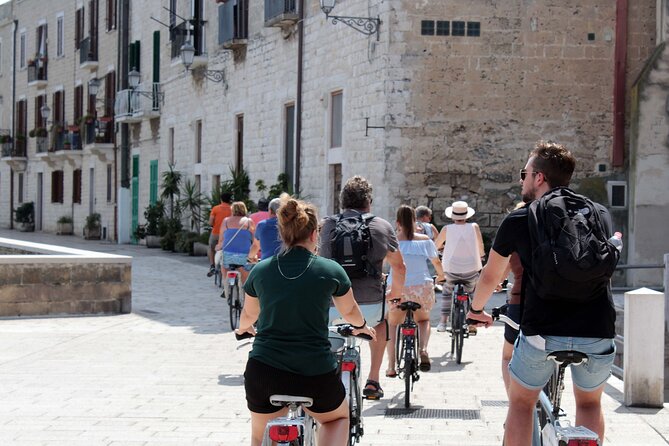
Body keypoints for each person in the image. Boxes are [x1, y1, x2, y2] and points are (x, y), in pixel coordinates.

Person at [467, 141, 617, 445]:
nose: (521, 180)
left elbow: (490, 276)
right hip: (598, 329)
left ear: (539, 178)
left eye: (525, 173)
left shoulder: (521, 218)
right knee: (589, 403)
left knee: (522, 403)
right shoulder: (598, 212)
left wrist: (475, 310)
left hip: (543, 331)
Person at [236, 196, 376, 446]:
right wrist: (361, 327)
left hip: (265, 372)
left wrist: (244, 328)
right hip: (315, 373)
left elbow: (248, 316)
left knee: (259, 435)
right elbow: (351, 311)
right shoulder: (330, 270)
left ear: (282, 232)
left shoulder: (260, 270)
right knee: (337, 419)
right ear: (314, 234)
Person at [319, 175, 406, 400]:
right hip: (370, 306)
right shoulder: (381, 225)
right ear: (369, 201)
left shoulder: (327, 226)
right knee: (382, 321)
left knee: (327, 333)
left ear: (342, 201)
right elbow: (399, 266)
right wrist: (395, 295)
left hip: (331, 307)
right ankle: (373, 380)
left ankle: (327, 378)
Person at [386, 205, 445, 375]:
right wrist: (441, 276)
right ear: (414, 221)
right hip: (422, 287)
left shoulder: (392, 242)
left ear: (397, 223)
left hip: (398, 288)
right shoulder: (425, 240)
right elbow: (436, 263)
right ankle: (423, 350)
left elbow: (381, 263)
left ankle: (391, 366)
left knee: (393, 323)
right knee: (424, 320)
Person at [433, 201, 484, 332]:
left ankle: (443, 322)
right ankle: (473, 322)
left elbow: (435, 246)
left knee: (447, 291)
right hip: (471, 269)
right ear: (466, 216)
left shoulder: (446, 229)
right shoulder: (474, 227)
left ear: (453, 216)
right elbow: (480, 246)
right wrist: (481, 257)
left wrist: (442, 249)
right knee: (473, 292)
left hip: (451, 269)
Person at [215, 201, 255, 286]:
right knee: (246, 277)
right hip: (244, 257)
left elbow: (221, 240)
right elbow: (254, 240)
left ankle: (226, 284)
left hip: (228, 256)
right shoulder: (249, 222)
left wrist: (218, 247)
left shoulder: (225, 221)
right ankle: (245, 289)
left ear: (232, 210)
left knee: (223, 263)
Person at [248, 196, 282, 262]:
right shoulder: (289, 225)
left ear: (270, 210)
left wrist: (250, 257)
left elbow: (255, 245)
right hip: (286, 262)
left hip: (267, 262)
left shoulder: (262, 224)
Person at [207, 192, 232, 277]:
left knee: (211, 247)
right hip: (228, 235)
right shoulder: (232, 209)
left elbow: (210, 222)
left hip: (216, 233)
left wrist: (212, 225)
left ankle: (212, 266)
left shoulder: (215, 209)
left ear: (221, 199)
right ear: (230, 200)